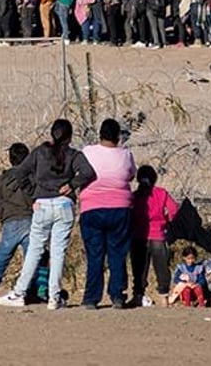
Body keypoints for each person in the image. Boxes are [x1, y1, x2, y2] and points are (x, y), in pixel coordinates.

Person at [0, 119, 96, 310]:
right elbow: (88, 172)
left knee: (35, 250)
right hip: (64, 205)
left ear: (52, 134)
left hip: (42, 204)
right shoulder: (73, 155)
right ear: (70, 136)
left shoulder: (40, 153)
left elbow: (20, 173)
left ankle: (19, 292)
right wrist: (72, 185)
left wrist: (34, 193)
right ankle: (54, 297)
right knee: (58, 252)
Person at [78, 119, 135, 309]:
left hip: (92, 207)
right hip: (120, 208)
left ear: (100, 134)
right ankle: (117, 295)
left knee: (95, 254)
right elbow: (130, 175)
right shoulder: (126, 154)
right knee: (117, 253)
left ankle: (91, 298)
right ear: (118, 136)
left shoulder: (88, 152)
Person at [0, 143, 35, 302]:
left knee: (1, 258)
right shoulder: (32, 178)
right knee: (33, 258)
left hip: (10, 222)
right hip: (30, 220)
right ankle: (32, 290)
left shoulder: (2, 179)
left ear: (10, 159)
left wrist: (2, 217)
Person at [130, 164, 179, 307]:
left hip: (139, 235)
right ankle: (164, 296)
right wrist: (166, 221)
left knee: (139, 268)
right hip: (158, 234)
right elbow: (174, 210)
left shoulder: (135, 196)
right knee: (162, 268)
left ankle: (138, 295)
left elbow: (129, 214)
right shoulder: (161, 193)